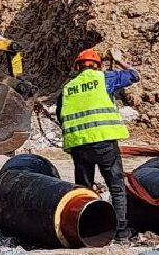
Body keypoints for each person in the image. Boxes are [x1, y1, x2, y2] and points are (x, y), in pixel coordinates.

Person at [57, 47, 140, 241]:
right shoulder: (104, 78)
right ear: (97, 65)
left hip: (79, 145)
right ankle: (120, 231)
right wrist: (119, 60)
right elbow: (134, 75)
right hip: (104, 143)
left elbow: (61, 116)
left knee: (84, 189)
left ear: (77, 67)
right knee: (116, 185)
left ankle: (86, 228)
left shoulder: (68, 88)